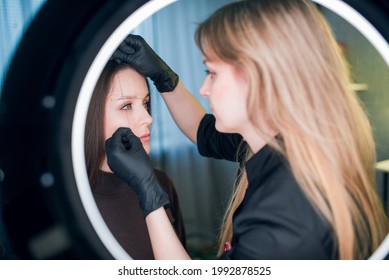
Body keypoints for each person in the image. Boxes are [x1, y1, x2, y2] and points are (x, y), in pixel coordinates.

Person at [106, 0, 389, 259]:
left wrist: (150, 194)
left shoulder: (284, 218)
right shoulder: (283, 145)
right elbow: (202, 132)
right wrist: (162, 76)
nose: (204, 89)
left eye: (211, 73)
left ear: (259, 79)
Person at [84, 59, 186, 259]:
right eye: (126, 106)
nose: (148, 118)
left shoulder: (161, 183)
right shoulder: (74, 199)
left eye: (145, 103)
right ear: (91, 116)